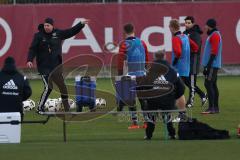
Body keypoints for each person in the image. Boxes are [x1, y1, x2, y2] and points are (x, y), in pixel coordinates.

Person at [27, 17, 89, 112]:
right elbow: (32, 49)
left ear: (52, 26)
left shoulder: (58, 33)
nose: (46, 27)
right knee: (49, 87)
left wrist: (80, 24)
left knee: (63, 87)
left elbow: (70, 32)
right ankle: (40, 108)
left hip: (56, 67)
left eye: (48, 25)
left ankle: (67, 109)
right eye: (45, 25)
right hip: (44, 67)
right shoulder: (38, 36)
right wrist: (29, 60)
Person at [136, 51, 186, 140]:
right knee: (167, 117)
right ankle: (172, 134)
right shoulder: (172, 70)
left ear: (154, 57)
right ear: (165, 57)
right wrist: (175, 96)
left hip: (153, 100)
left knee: (151, 117)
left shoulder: (149, 71)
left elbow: (141, 86)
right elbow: (181, 87)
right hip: (168, 100)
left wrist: (145, 98)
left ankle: (148, 135)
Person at [117, 23, 149, 129]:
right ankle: (146, 122)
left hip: (130, 75)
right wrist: (146, 68)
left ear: (124, 32)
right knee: (143, 99)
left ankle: (135, 123)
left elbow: (120, 59)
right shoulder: (142, 42)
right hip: (142, 74)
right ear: (134, 30)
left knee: (131, 100)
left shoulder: (124, 44)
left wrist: (120, 73)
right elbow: (147, 58)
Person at [183, 16, 207, 108]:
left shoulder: (195, 34)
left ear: (192, 23)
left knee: (192, 82)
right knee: (186, 81)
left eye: (189, 23)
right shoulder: (184, 33)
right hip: (186, 61)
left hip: (193, 60)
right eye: (186, 23)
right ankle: (202, 95)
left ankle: (191, 102)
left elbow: (196, 49)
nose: (187, 24)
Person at [169, 19, 199, 89]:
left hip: (178, 67)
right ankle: (202, 95)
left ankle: (202, 95)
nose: (169, 29)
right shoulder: (185, 36)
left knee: (176, 88)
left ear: (172, 27)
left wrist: (175, 61)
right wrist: (187, 54)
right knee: (184, 86)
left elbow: (178, 52)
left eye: (170, 27)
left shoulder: (176, 38)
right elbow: (195, 47)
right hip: (186, 66)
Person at [201, 19, 222, 114]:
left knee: (208, 84)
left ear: (209, 26)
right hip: (213, 65)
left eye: (206, 25)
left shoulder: (215, 35)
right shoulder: (213, 35)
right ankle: (216, 108)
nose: (205, 27)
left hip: (212, 65)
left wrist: (208, 66)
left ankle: (211, 108)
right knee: (212, 85)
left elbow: (214, 52)